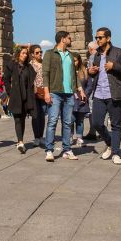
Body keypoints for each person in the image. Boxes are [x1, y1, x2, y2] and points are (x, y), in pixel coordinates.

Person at [89, 27, 121, 165]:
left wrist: (114, 66)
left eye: (100, 37)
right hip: (99, 94)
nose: (97, 40)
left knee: (115, 125)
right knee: (96, 123)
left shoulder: (119, 52)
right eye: (96, 37)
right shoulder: (96, 55)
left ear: (108, 38)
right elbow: (94, 74)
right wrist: (91, 72)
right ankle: (109, 143)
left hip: (115, 94)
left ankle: (115, 153)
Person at [42, 31, 85, 162]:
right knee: (52, 121)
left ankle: (67, 150)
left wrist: (80, 89)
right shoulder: (49, 54)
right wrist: (46, 92)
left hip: (69, 94)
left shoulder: (71, 56)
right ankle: (49, 150)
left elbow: (74, 74)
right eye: (68, 38)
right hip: (54, 92)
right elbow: (45, 74)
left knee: (67, 122)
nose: (70, 39)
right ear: (62, 39)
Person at [3, 45, 37, 153]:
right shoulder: (11, 65)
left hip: (26, 96)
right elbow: (6, 80)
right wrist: (9, 92)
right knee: (17, 119)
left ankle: (20, 140)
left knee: (22, 119)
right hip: (16, 96)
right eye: (23, 53)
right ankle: (20, 141)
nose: (25, 55)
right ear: (18, 54)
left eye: (26, 53)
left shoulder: (28, 67)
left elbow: (32, 79)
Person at [72, 52, 92, 149]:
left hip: (82, 99)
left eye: (74, 61)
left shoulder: (84, 71)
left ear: (79, 61)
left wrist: (85, 95)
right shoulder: (67, 71)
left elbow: (89, 85)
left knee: (80, 120)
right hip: (71, 99)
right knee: (70, 119)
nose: (73, 63)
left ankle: (79, 138)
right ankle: (70, 136)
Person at [29, 44, 46, 147]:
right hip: (33, 93)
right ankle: (36, 137)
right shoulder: (30, 65)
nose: (40, 54)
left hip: (44, 92)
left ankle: (41, 136)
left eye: (40, 52)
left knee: (42, 115)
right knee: (35, 116)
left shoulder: (44, 64)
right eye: (37, 52)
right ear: (32, 54)